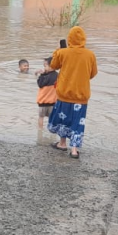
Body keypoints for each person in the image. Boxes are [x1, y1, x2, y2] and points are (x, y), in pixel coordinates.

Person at [48, 26, 98, 159]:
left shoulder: (63, 52)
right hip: (81, 97)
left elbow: (53, 65)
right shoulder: (90, 55)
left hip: (64, 95)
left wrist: (58, 50)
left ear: (69, 39)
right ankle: (74, 150)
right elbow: (93, 74)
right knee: (77, 122)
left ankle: (62, 143)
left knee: (63, 118)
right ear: (83, 39)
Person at [36, 57, 58, 128]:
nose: (44, 68)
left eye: (45, 66)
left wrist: (41, 75)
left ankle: (40, 130)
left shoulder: (45, 76)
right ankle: (52, 130)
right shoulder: (57, 75)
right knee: (51, 118)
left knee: (41, 117)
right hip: (53, 102)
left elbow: (40, 84)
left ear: (51, 66)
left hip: (43, 102)